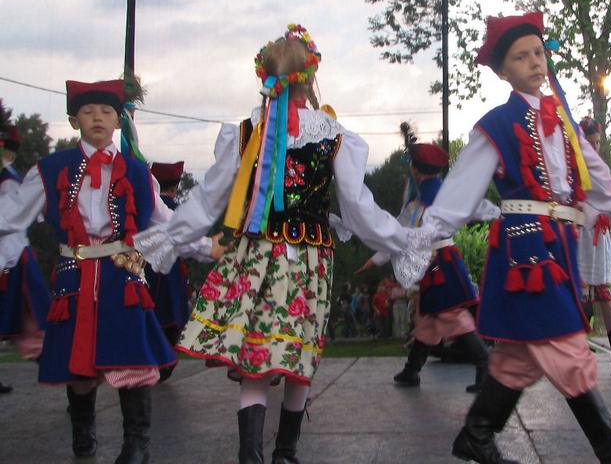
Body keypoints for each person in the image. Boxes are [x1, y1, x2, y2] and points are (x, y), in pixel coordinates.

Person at [133, 24, 418, 464]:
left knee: (257, 356)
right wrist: (401, 241)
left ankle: (251, 455)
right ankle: (285, 452)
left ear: (264, 77)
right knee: (300, 354)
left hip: (256, 259)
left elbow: (208, 199)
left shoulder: (248, 131)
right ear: (311, 77)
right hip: (309, 261)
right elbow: (359, 208)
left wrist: (171, 236)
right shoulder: (333, 135)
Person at [405, 12, 611, 464]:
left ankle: (476, 435)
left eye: (538, 52)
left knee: (518, 359)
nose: (535, 62)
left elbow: (596, 179)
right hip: (526, 250)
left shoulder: (564, 121)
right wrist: (419, 243)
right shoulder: (496, 125)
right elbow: (458, 195)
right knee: (567, 348)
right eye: (520, 57)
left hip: (560, 245)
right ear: (502, 72)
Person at [0, 79, 218, 463]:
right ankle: (83, 441)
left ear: (118, 121)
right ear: (74, 121)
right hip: (74, 277)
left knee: (131, 359)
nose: (97, 118)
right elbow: (10, 215)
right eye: (87, 112)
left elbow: (168, 224)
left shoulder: (137, 173)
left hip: (122, 277)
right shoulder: (50, 170)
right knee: (79, 368)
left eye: (106, 112)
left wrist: (206, 247)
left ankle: (137, 447)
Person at [357, 130, 498, 393]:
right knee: (429, 317)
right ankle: (412, 369)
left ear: (416, 170)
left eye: (411, 166)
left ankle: (485, 363)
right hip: (440, 259)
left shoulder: (421, 202)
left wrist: (376, 260)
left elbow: (399, 234)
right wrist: (377, 259)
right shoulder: (439, 195)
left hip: (438, 261)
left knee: (450, 314)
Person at [0, 124, 50, 391]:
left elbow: (9, 222)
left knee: (32, 326)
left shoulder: (8, 181)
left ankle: (71, 380)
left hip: (11, 258)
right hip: (11, 257)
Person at [577, 117, 611, 376]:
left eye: (597, 143)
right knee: (574, 292)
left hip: (596, 236)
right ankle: (575, 351)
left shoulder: (599, 169)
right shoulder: (570, 167)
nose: (594, 148)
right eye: (590, 143)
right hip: (576, 233)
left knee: (603, 292)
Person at [144, 161, 193, 382]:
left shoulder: (146, 206)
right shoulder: (177, 210)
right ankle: (165, 361)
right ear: (175, 186)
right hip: (170, 272)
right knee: (171, 315)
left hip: (145, 268)